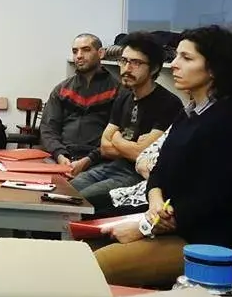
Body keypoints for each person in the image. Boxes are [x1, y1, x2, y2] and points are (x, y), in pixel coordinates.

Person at [93, 25, 232, 287]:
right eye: (177, 56)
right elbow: (159, 170)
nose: (175, 65)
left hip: (201, 240)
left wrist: (146, 226)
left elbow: (212, 198)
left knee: (95, 267)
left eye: (186, 58)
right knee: (87, 243)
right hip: (164, 221)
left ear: (213, 69)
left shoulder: (231, 121)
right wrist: (155, 199)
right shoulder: (188, 113)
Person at [71, 33, 183, 200]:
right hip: (112, 166)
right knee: (66, 189)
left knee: (83, 199)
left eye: (135, 63)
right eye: (123, 61)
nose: (126, 68)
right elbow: (104, 146)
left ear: (154, 68)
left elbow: (140, 154)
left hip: (137, 174)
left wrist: (116, 138)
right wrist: (128, 146)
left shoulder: (169, 103)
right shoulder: (124, 96)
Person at [40, 33, 124, 176]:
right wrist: (60, 155)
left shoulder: (118, 91)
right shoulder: (62, 90)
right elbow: (48, 129)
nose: (79, 55)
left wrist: (88, 160)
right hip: (60, 157)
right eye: (75, 51)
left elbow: (119, 136)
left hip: (99, 161)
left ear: (101, 53)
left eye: (86, 49)